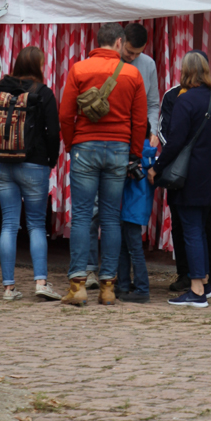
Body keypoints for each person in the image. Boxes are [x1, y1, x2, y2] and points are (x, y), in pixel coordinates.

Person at [59, 22, 147, 306]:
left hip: (85, 147)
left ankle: (78, 286)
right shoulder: (132, 74)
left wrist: (72, 145)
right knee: (110, 218)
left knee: (82, 217)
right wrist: (134, 154)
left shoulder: (79, 69)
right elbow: (140, 121)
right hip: (119, 149)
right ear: (120, 42)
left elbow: (65, 115)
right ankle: (108, 287)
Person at [149, 51, 211, 308]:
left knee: (191, 230)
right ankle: (204, 282)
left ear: (186, 71)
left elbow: (174, 142)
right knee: (202, 229)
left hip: (190, 176)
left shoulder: (184, 100)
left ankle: (196, 291)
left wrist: (157, 168)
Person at [0, 45, 61, 301]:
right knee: (36, 224)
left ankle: (8, 288)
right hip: (34, 165)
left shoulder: (0, 92)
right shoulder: (43, 93)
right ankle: (41, 282)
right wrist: (50, 160)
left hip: (3, 165)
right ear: (38, 66)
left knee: (9, 224)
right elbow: (53, 132)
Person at [85, 22, 160, 290]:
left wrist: (153, 131)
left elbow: (153, 103)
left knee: (122, 213)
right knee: (96, 210)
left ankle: (113, 275)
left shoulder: (147, 65)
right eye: (129, 51)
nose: (132, 57)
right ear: (120, 41)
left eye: (138, 53)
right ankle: (91, 270)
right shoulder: (102, 63)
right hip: (107, 144)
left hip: (135, 147)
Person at [116, 128, 158, 303]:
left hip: (130, 205)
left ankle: (142, 288)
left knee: (133, 249)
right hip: (139, 205)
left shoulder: (133, 151)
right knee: (127, 247)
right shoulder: (149, 152)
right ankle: (123, 284)